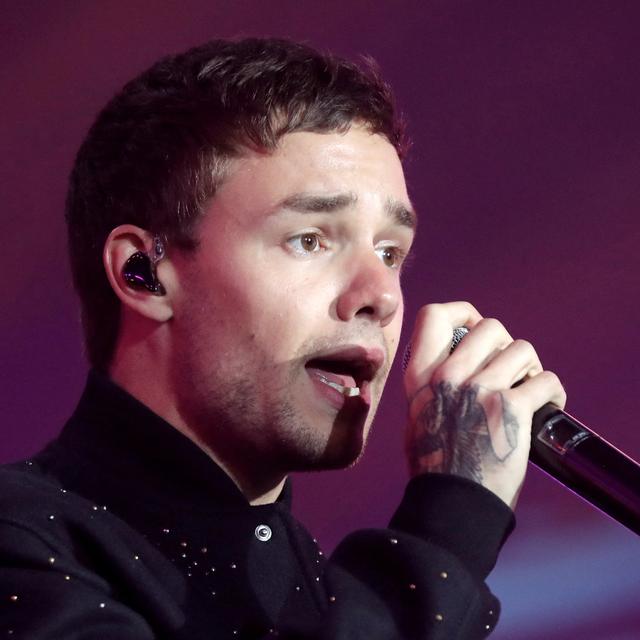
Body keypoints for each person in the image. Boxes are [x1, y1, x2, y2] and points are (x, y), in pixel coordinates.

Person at [0, 38, 566, 639]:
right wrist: (453, 514)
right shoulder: (24, 544)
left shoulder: (321, 596)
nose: (382, 294)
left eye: (389, 251)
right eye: (311, 239)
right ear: (145, 273)